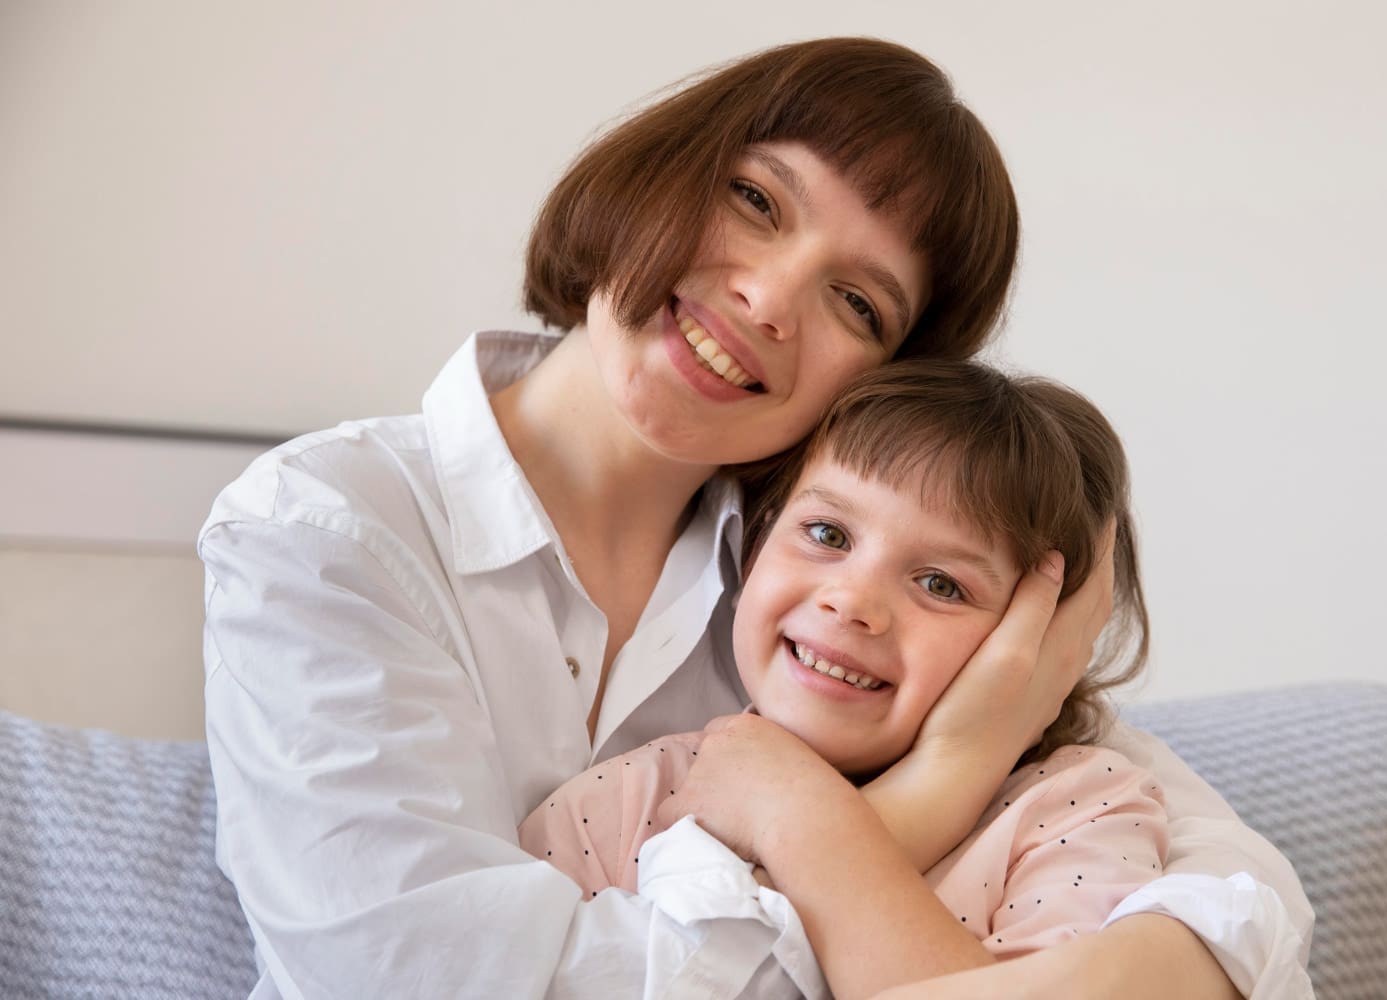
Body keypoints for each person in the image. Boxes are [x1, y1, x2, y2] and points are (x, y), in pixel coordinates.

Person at [198, 37, 1313, 999]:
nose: (769, 299)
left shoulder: (830, 592)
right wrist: (911, 804)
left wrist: (976, 753)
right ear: (662, 168)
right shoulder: (329, 530)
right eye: (756, 200)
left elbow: (1233, 898)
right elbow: (411, 978)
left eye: (857, 302)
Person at [520, 360, 1177, 999]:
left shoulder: (1080, 813)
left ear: (1041, 646)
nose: (852, 602)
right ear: (756, 544)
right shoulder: (623, 803)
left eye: (940, 584)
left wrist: (796, 811)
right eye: (827, 534)